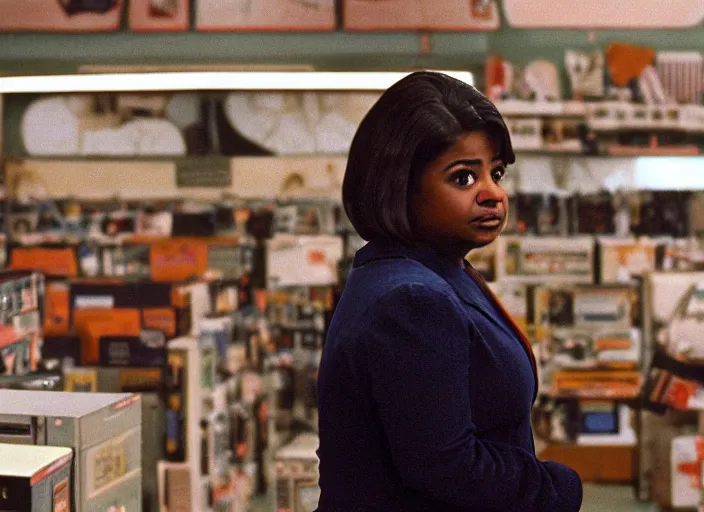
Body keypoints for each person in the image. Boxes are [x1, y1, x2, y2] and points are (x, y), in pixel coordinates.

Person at [316, 71, 583, 511]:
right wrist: (558, 486)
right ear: (400, 184)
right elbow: (448, 467)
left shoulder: (429, 273)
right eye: (463, 178)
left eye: (496, 173)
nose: (492, 194)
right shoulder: (410, 299)